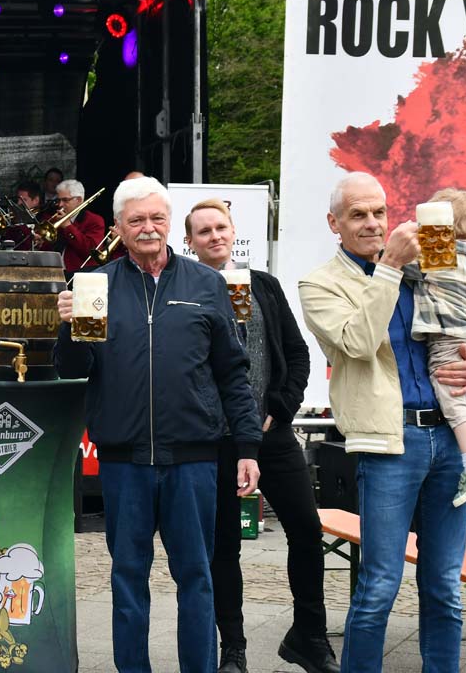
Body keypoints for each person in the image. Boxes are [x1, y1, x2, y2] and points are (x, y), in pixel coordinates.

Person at [53, 176, 262, 673]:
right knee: (128, 578)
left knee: (197, 576)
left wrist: (249, 445)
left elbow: (233, 372)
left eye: (156, 218)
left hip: (193, 457)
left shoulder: (206, 284)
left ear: (170, 224)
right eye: (136, 220)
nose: (148, 228)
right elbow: (73, 371)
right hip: (125, 460)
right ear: (120, 228)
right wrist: (67, 327)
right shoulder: (95, 284)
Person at [298, 171, 466, 673]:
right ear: (333, 222)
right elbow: (358, 343)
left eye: (379, 212)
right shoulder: (320, 282)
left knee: (445, 585)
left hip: (449, 439)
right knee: (380, 584)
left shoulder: (421, 265)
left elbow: (461, 315)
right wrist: (389, 267)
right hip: (389, 442)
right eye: (358, 214)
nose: (372, 223)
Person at [184, 198, 337, 673]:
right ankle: (233, 648)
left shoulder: (263, 286)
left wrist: (279, 408)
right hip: (219, 442)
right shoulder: (184, 291)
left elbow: (297, 356)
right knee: (223, 545)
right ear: (189, 242)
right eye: (203, 230)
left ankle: (309, 636)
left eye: (221, 227)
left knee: (307, 532)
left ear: (233, 232)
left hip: (271, 435)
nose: (214, 236)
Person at [410, 188, 466, 506]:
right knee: (457, 397)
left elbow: (399, 268)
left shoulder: (434, 259)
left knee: (453, 401)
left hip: (446, 338)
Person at [51, 179, 105, 275]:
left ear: (79, 200)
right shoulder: (56, 218)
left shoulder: (95, 220)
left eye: (65, 200)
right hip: (55, 273)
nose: (60, 205)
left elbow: (90, 251)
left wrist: (68, 227)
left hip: (80, 274)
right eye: (59, 200)